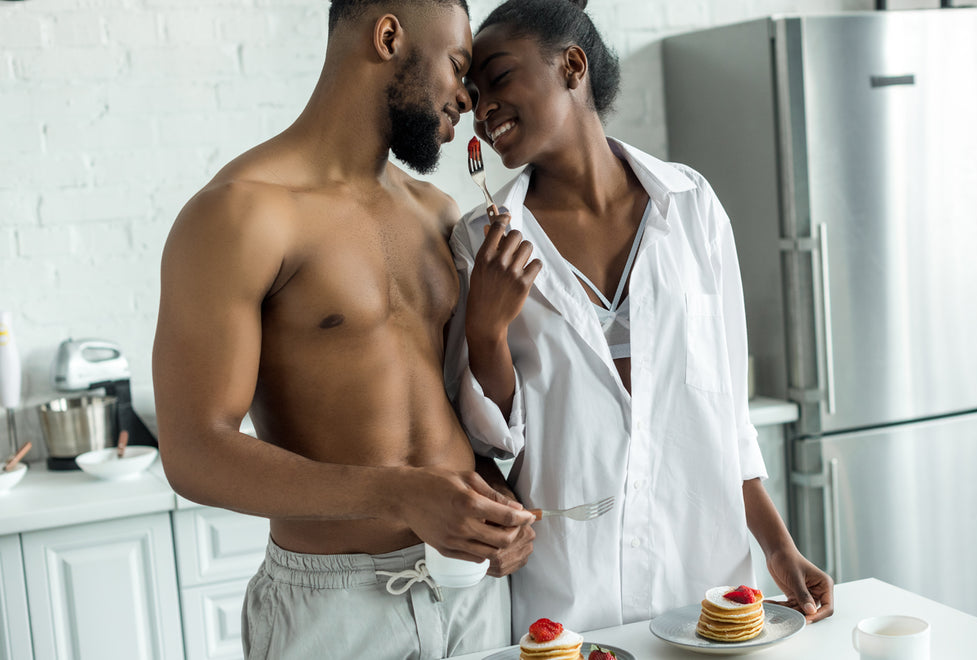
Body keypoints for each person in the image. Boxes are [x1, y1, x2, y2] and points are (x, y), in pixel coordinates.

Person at [152, 1, 536, 657]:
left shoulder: (438, 213)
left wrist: (489, 497)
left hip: (469, 591)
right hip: (336, 608)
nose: (468, 102)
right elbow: (194, 453)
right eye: (458, 66)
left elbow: (442, 404)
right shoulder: (240, 215)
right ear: (388, 36)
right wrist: (398, 494)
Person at [445, 0, 835, 640]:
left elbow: (725, 414)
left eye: (499, 78)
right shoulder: (481, 244)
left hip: (705, 583)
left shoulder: (691, 207)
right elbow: (495, 447)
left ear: (572, 65)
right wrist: (487, 330)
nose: (482, 109)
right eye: (473, 95)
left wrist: (777, 546)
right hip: (568, 595)